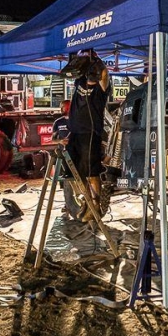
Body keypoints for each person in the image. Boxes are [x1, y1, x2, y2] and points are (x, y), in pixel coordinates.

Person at [66, 52, 111, 221]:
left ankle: (96, 206)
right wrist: (85, 57)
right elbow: (74, 68)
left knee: (92, 172)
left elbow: (105, 74)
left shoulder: (101, 90)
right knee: (76, 172)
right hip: (75, 131)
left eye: (94, 74)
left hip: (90, 133)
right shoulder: (80, 82)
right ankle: (87, 201)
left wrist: (97, 61)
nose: (91, 76)